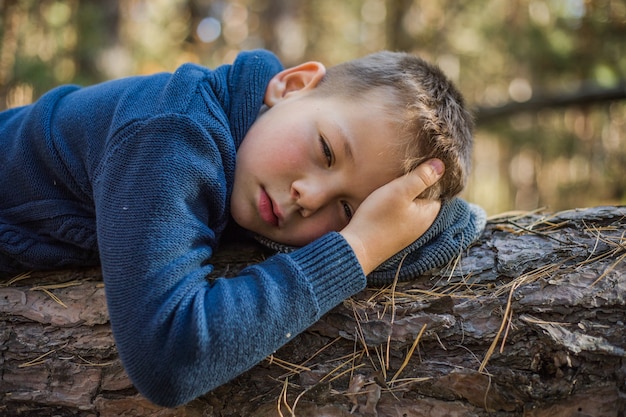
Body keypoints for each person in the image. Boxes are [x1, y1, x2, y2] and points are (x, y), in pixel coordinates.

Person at [0, 49, 485, 407]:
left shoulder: (249, 151)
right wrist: (355, 247)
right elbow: (170, 356)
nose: (309, 198)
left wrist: (431, 216)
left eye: (346, 210)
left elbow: (410, 235)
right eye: (327, 152)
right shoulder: (171, 135)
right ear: (292, 86)